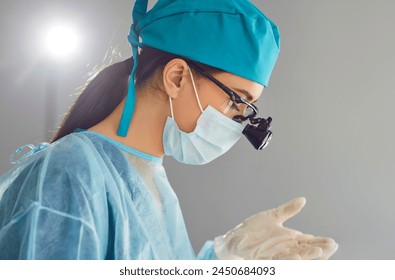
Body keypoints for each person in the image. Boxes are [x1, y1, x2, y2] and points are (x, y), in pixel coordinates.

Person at [0, 0, 338, 259]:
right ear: (177, 77)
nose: (238, 122)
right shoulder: (72, 171)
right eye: (237, 102)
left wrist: (225, 257)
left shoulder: (153, 185)